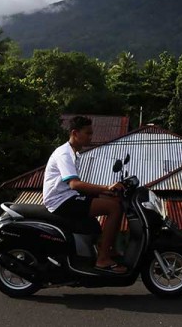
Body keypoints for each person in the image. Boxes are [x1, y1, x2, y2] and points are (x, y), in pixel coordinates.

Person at [43, 116, 127, 273]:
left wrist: (106, 193)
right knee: (113, 209)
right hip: (61, 201)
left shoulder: (75, 153)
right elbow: (74, 184)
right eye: (87, 133)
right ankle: (102, 259)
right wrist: (107, 187)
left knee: (115, 200)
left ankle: (108, 248)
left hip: (68, 196)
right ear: (75, 133)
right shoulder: (64, 154)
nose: (91, 137)